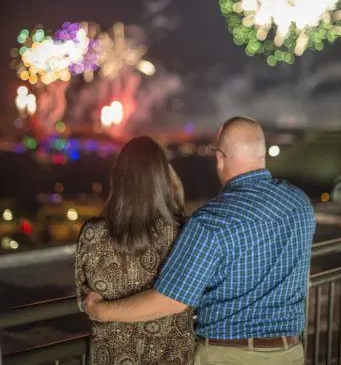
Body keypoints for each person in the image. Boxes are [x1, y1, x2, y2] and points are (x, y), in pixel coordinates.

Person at [85, 117, 316, 365]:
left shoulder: (211, 220)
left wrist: (102, 310)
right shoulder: (299, 203)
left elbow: (171, 300)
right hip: (290, 352)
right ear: (261, 154)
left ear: (220, 157)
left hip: (228, 357)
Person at [75, 136, 196, 364]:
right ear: (164, 180)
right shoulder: (186, 233)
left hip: (110, 357)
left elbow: (85, 297)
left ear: (119, 177)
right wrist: (177, 202)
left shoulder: (93, 233)